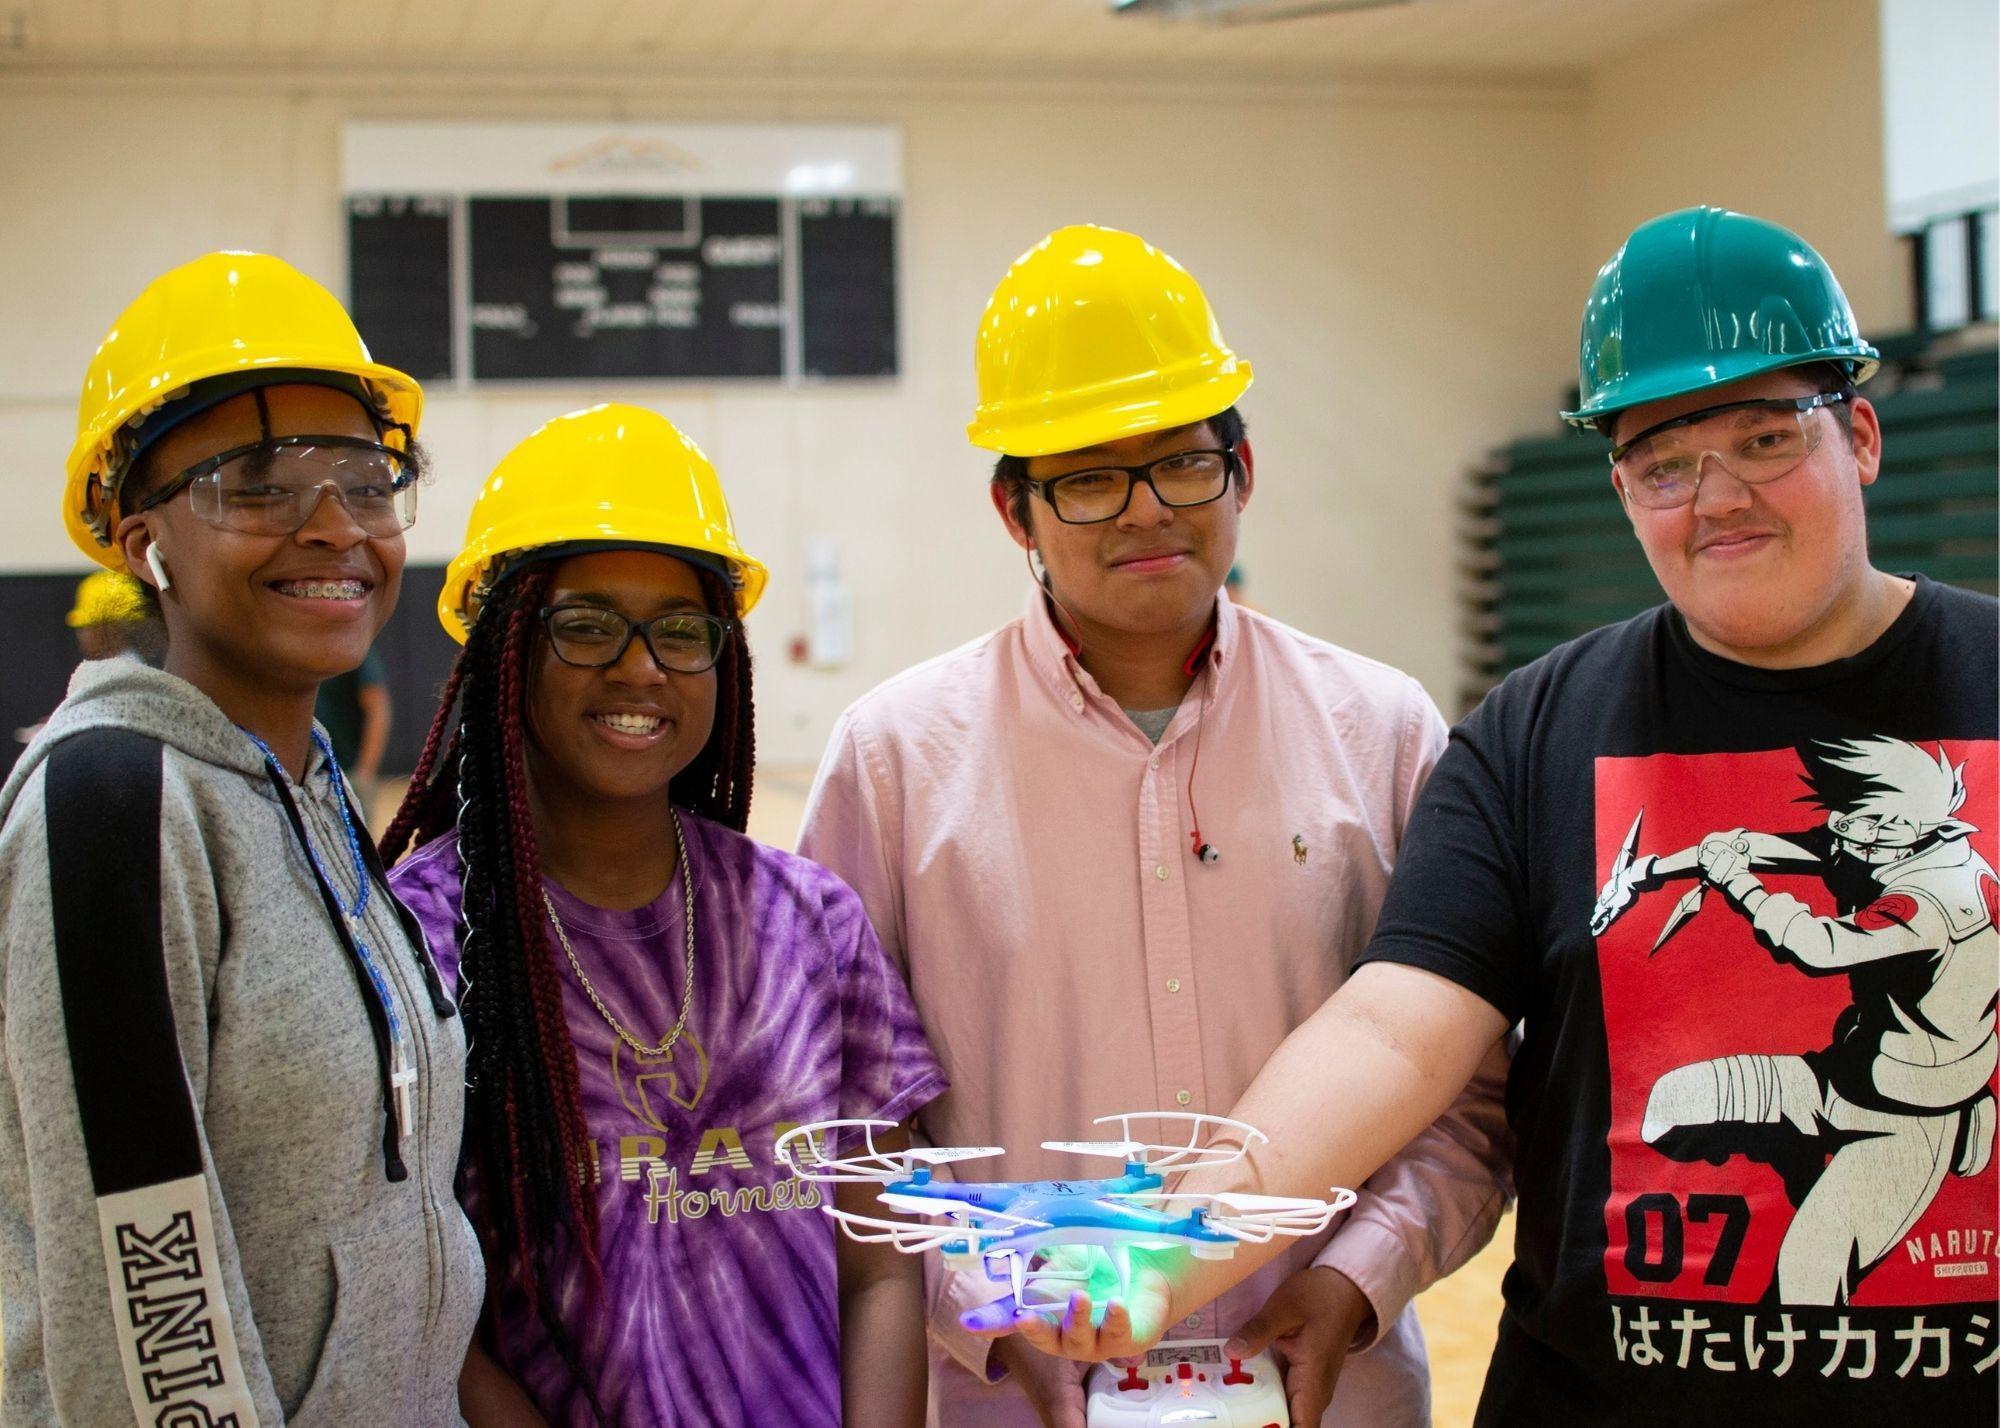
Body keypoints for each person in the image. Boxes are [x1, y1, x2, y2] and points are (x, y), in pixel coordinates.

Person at [981, 208, 1998, 1422]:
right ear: (1621, 488)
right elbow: (1393, 1037)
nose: (1716, 498)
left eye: (1765, 439)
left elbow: (1844, 939)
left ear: (1862, 436)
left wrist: (1751, 889)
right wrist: (1170, 1248)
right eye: (1664, 463)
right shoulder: (1533, 732)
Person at [799, 225, 1511, 1428]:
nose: (1145, 513)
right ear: (1011, 509)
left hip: (1325, 1398)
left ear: (1243, 470)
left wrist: (1354, 1278)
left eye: (1180, 462)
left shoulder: (1381, 731)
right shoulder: (894, 760)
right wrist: (980, 1312)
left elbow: (1466, 1087)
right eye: (1086, 476)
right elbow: (838, 1122)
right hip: (1018, 1399)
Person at [383, 403, 945, 1428]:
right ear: (507, 652)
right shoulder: (414, 943)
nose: (639, 667)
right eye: (587, 624)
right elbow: (424, 1323)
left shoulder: (811, 922)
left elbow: (880, 1269)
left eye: (680, 631)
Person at [0, 251, 480, 1423]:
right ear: (136, 536)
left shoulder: (308, 790)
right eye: (255, 484)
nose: (334, 528)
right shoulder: (110, 803)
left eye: (366, 481)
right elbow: (144, 1277)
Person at [315, 643, 392, 808]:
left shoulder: (349, 645)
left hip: (347, 772)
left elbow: (377, 708)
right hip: (307, 775)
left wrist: (364, 772)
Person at [67, 567, 165, 663]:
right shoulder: (135, 668)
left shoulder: (122, 675)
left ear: (113, 628)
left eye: (88, 625)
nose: (82, 634)